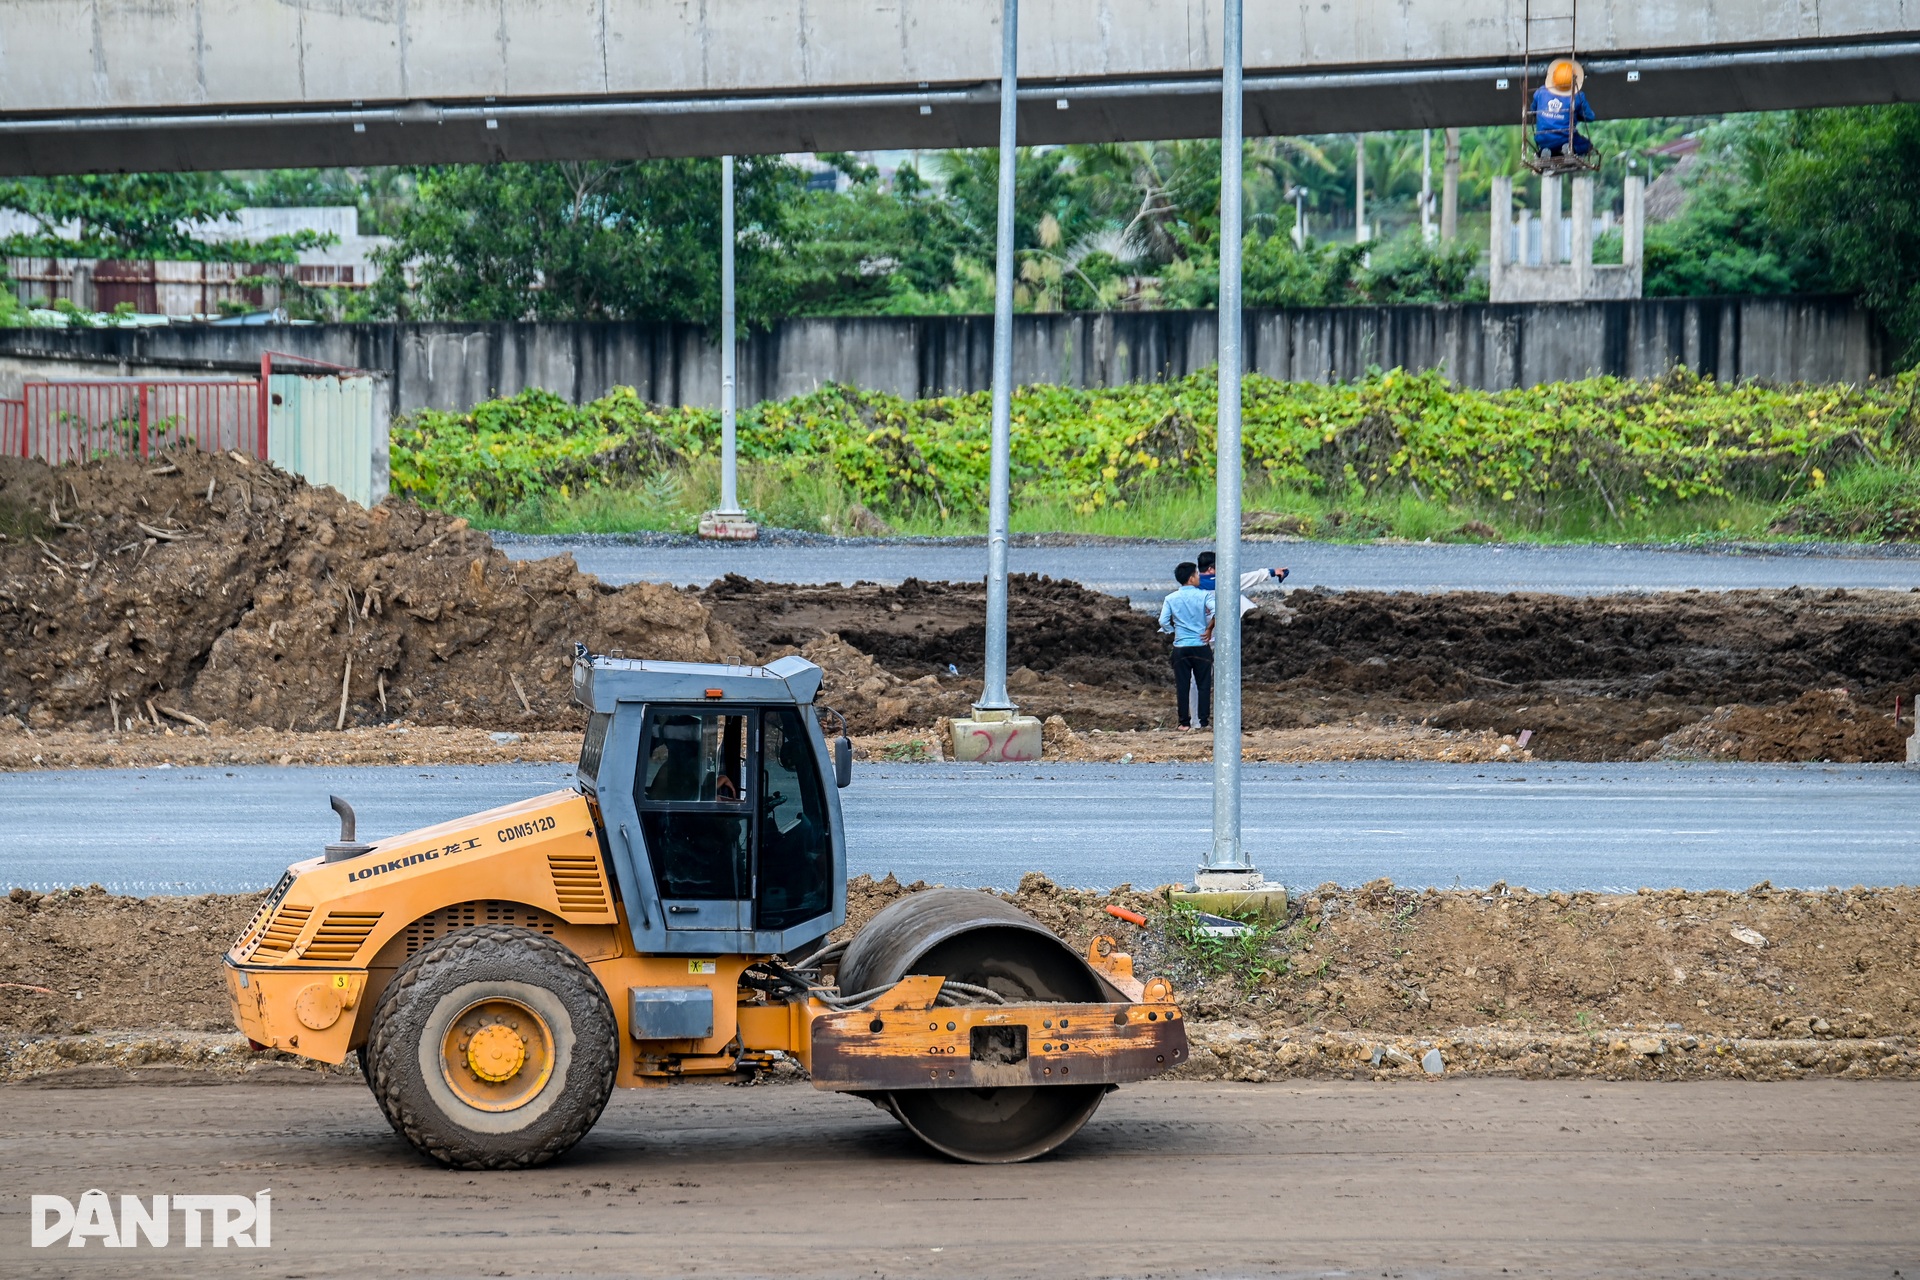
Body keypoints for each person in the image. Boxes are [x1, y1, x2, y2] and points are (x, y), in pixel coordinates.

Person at [1157, 561, 1216, 731]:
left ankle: (1184, 723)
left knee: (1183, 686)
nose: (1199, 577)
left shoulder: (1170, 598)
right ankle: (1203, 722)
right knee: (1203, 685)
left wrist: (1172, 630)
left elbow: (1162, 621)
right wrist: (1209, 628)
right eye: (1197, 574)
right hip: (1201, 645)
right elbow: (1217, 611)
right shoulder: (1204, 595)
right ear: (1191, 578)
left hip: (1181, 647)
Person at [1198, 550, 1291, 619]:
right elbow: (1246, 578)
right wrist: (1273, 572)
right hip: (1219, 632)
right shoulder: (1221, 583)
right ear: (1210, 569)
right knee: (1237, 598)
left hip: (1198, 631)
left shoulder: (1192, 584)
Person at [1532, 58, 1595, 159]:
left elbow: (1533, 110)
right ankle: (1570, 149)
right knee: (1586, 145)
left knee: (1549, 143)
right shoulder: (1578, 96)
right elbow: (1590, 117)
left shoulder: (1540, 92)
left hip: (1543, 138)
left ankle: (1545, 151)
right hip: (1566, 138)